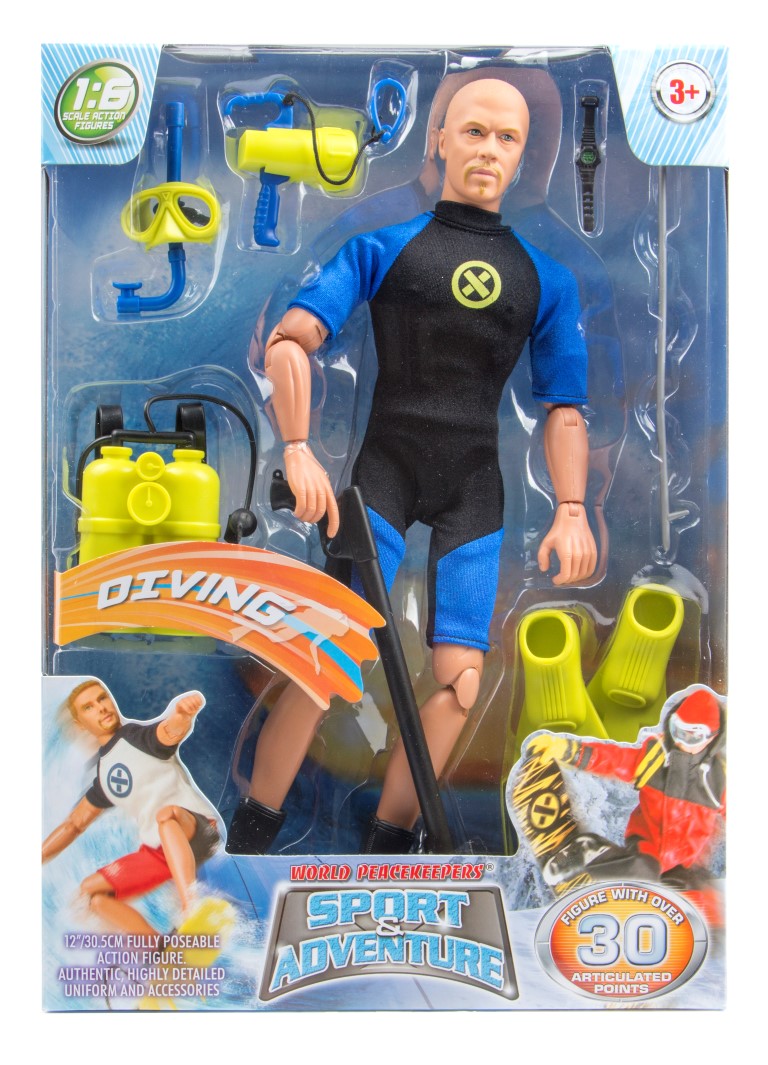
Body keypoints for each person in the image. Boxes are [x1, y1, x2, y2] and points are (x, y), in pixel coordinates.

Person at [228, 78, 598, 855]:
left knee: (462, 681)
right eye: (473, 131)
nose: (488, 150)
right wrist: (297, 448)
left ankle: (391, 843)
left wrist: (572, 508)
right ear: (438, 138)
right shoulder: (383, 248)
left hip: (475, 487)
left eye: (506, 137)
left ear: (525, 155)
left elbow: (564, 407)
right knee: (324, 657)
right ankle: (253, 831)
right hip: (384, 476)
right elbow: (290, 340)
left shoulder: (546, 279)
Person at [42, 680, 221, 937]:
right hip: (159, 851)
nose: (101, 707)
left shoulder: (136, 737)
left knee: (165, 815)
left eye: (102, 698)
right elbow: (74, 825)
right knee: (90, 895)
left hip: (196, 829)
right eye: (89, 707)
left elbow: (168, 733)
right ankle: (159, 949)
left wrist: (182, 715)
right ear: (81, 724)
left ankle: (191, 906)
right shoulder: (104, 776)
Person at [527, 687, 726, 884]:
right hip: (647, 845)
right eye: (677, 731)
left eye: (692, 736)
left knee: (690, 890)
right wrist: (567, 750)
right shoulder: (655, 757)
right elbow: (613, 759)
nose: (681, 742)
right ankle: (589, 855)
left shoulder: (720, 780)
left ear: (712, 737)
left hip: (683, 864)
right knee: (643, 870)